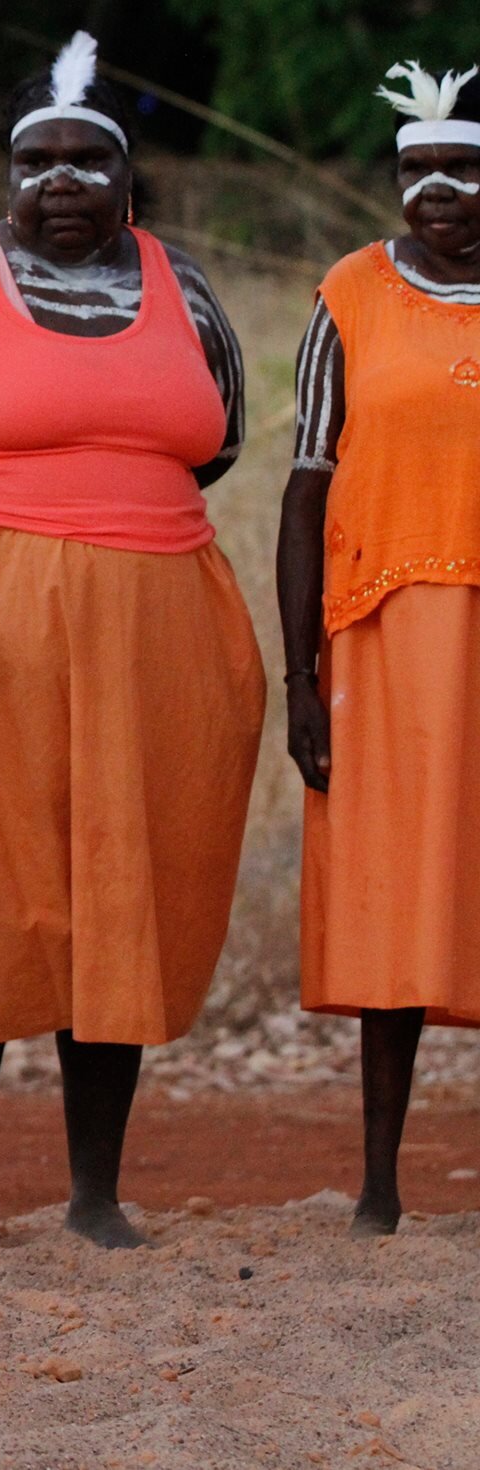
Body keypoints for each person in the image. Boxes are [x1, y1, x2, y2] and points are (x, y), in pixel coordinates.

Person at [0, 33, 265, 1250]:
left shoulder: (181, 286)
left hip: (155, 633)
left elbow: (214, 433)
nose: (59, 183)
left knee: (117, 893)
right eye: (36, 162)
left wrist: (112, 518)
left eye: (85, 161)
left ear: (126, 178)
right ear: (3, 176)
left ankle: (92, 1195)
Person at [281, 62, 480, 1237]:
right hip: (386, 630)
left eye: (461, 171)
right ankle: (377, 1185)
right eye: (416, 171)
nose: (437, 191)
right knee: (396, 894)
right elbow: (306, 483)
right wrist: (302, 672)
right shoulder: (349, 293)